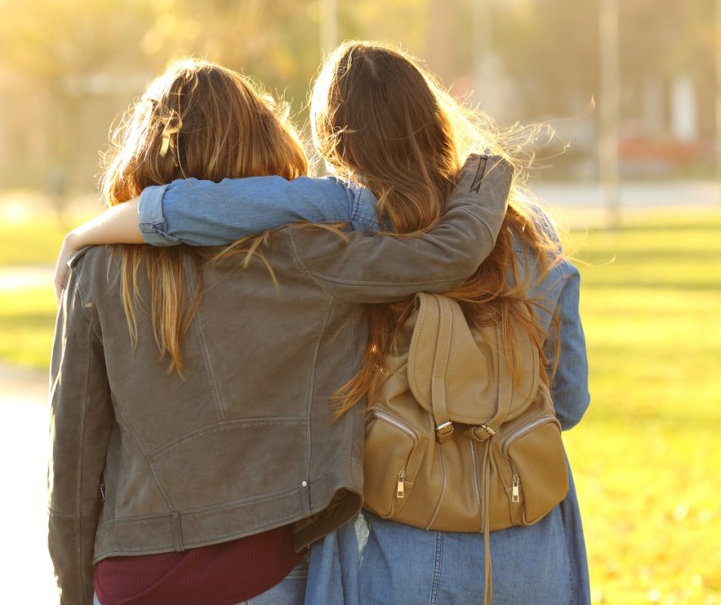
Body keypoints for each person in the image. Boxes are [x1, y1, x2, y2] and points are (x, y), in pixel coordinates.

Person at [53, 42, 590, 605]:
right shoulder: (534, 237)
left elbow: (224, 206)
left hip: (389, 539)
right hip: (528, 530)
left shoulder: (345, 219)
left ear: (336, 141)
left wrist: (95, 229)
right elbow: (568, 401)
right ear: (436, 119)